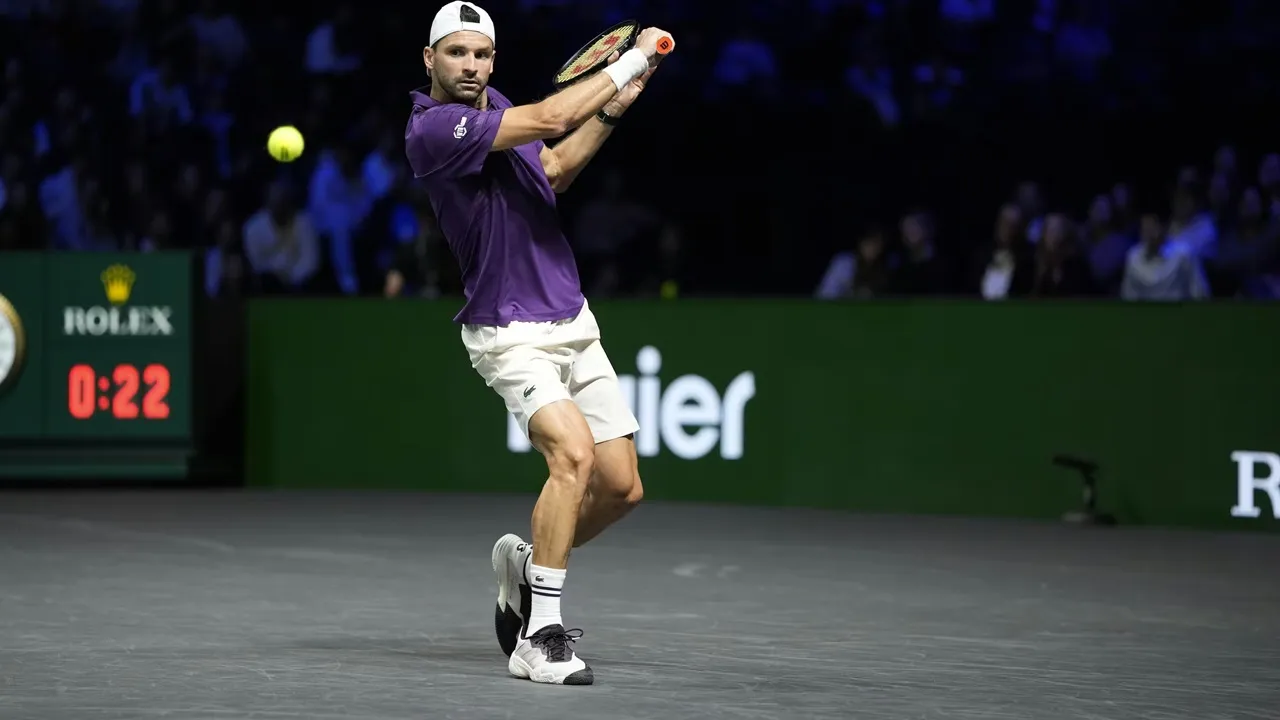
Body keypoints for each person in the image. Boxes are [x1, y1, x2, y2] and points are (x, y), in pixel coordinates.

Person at [403, 1, 671, 686]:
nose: (471, 66)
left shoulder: (498, 108)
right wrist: (633, 59)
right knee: (572, 456)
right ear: (429, 59)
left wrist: (612, 109)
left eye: (481, 54)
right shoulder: (433, 129)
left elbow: (551, 169)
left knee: (622, 488)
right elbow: (552, 118)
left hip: (571, 318)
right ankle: (539, 636)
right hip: (508, 330)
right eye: (457, 53)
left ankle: (527, 564)